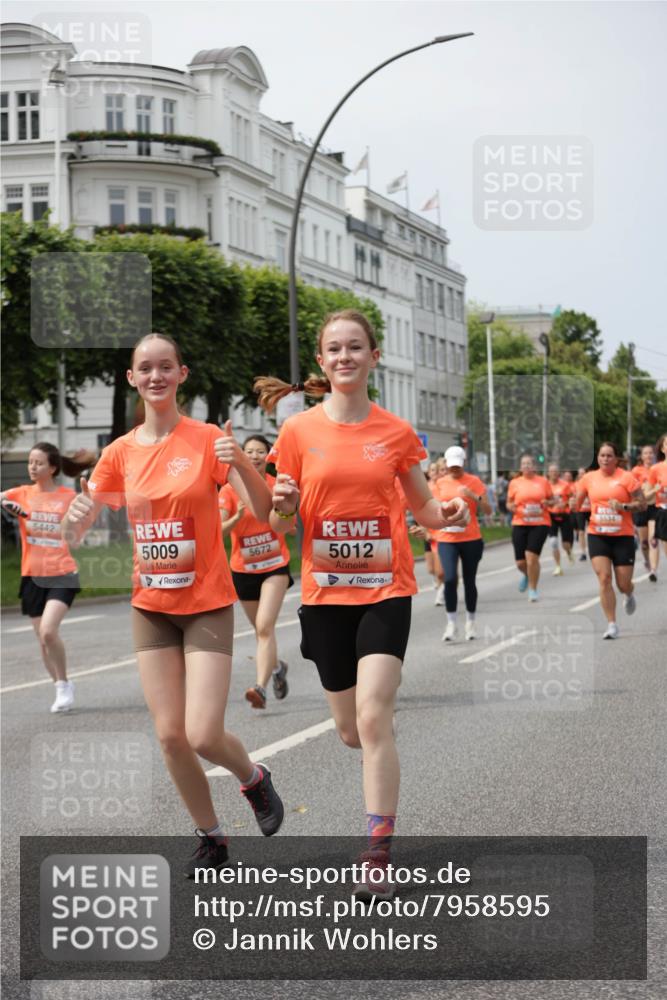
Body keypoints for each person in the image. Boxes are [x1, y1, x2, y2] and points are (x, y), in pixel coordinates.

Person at [254, 309, 468, 901]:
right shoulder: (296, 433)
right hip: (325, 595)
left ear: (374, 357)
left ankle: (378, 850)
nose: (345, 357)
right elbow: (279, 520)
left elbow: (424, 510)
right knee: (350, 731)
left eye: (356, 347)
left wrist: (448, 514)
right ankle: (375, 738)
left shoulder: (396, 433)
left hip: (385, 590)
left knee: (373, 719)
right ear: (321, 362)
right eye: (334, 349)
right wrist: (282, 501)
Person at [62, 333, 284, 876]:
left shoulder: (208, 439)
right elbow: (80, 527)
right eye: (146, 368)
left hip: (206, 602)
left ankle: (254, 779)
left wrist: (245, 465)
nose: (156, 375)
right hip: (151, 604)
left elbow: (260, 509)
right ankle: (212, 838)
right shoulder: (119, 453)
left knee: (202, 733)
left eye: (166, 367)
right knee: (169, 734)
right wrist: (74, 515)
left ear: (181, 374)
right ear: (131, 379)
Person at [1, 443, 94, 712]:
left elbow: (76, 538)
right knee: (43, 641)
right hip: (32, 575)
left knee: (48, 631)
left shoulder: (67, 497)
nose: (33, 467)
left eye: (39, 463)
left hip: (62, 572)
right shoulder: (21, 493)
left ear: (52, 468)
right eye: (30, 462)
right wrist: (7, 504)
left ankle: (63, 686)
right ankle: (61, 685)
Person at [219, 434, 294, 709]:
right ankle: (277, 668)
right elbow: (216, 532)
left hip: (275, 566)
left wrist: (288, 519)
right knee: (261, 631)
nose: (254, 456)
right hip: (243, 569)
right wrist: (236, 518)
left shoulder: (277, 487)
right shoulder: (228, 491)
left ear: (268, 456)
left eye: (260, 451)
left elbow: (289, 523)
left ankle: (260, 688)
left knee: (264, 626)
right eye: (248, 451)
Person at [575, 442, 646, 639]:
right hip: (598, 535)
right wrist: (574, 503)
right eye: (602, 455)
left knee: (623, 583)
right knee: (605, 579)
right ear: (597, 458)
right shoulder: (588, 478)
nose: (605, 459)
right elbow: (577, 502)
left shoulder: (626, 478)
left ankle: (629, 593)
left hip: (622, 537)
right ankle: (612, 624)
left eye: (609, 455)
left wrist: (623, 506)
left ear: (616, 459)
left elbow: (642, 505)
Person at [433, 446, 490, 641]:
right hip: (447, 539)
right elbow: (431, 509)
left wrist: (473, 495)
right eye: (451, 466)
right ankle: (451, 623)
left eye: (458, 466)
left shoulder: (474, 481)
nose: (455, 470)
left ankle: (471, 622)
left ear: (463, 462)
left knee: (469, 580)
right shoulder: (440, 483)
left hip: (471, 538)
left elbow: (489, 510)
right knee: (449, 579)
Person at [507, 454, 554, 601]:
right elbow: (509, 503)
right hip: (520, 523)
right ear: (520, 467)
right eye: (524, 464)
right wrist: (511, 507)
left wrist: (548, 502)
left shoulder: (543, 482)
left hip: (540, 523)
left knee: (531, 558)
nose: (526, 466)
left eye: (529, 464)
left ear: (534, 467)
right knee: (520, 562)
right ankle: (527, 574)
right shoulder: (515, 483)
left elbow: (552, 500)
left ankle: (533, 589)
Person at [644, 433, 667, 583]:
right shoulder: (656, 469)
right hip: (663, 512)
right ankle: (653, 567)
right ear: (663, 448)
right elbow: (646, 495)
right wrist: (655, 489)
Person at [546, 462, 575, 575]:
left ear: (559, 473)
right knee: (553, 542)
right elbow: (542, 499)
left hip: (564, 515)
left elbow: (572, 498)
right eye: (551, 471)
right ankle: (558, 566)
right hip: (551, 515)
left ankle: (568, 552)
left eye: (555, 471)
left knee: (565, 544)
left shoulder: (565, 485)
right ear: (548, 473)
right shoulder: (546, 485)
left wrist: (566, 503)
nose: (553, 473)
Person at [631, 444, 655, 570]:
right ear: (641, 456)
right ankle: (647, 560)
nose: (649, 455)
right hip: (641, 508)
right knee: (644, 543)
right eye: (646, 453)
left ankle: (653, 564)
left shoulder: (658, 469)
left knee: (653, 540)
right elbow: (631, 489)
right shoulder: (636, 471)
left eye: (651, 453)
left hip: (655, 507)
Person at [574, 466, 591, 560]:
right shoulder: (576, 484)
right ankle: (583, 552)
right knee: (581, 532)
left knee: (592, 531)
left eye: (583, 473)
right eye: (580, 473)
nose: (581, 475)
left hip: (590, 510)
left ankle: (593, 548)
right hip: (580, 510)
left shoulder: (591, 484)